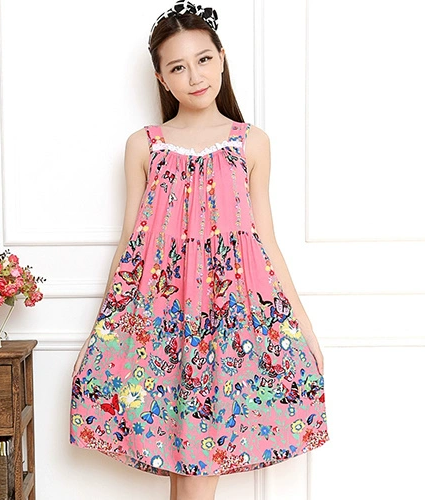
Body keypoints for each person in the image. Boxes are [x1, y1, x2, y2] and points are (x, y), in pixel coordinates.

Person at [70, 2, 330, 499]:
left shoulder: (251, 143)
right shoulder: (144, 145)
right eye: (178, 67)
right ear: (161, 78)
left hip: (231, 323)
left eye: (204, 59)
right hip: (160, 321)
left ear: (222, 58)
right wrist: (101, 327)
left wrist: (304, 325)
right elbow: (131, 244)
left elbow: (264, 239)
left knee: (196, 467)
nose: (194, 76)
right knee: (183, 468)